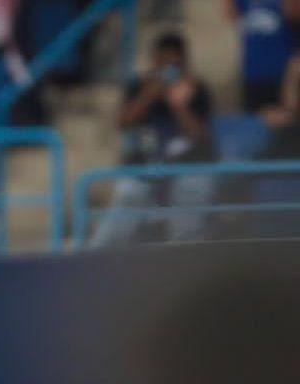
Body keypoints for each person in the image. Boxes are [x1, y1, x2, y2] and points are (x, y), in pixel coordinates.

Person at [91, 32, 218, 247]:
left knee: (192, 194)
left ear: (184, 62)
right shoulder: (138, 86)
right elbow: (123, 122)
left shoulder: (198, 89)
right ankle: (95, 260)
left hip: (187, 167)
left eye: (174, 64)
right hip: (143, 165)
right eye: (163, 63)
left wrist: (178, 104)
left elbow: (200, 136)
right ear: (154, 61)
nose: (168, 70)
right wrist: (150, 93)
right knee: (127, 197)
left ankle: (184, 263)